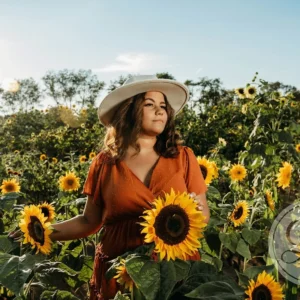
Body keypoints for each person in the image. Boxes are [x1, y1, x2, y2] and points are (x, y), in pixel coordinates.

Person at [13, 75, 210, 299]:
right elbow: (89, 220)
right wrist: (39, 232)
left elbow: (203, 214)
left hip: (171, 264)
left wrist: (189, 212)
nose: (160, 111)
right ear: (129, 111)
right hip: (119, 267)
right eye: (149, 104)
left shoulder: (182, 157)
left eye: (163, 106)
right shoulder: (105, 163)